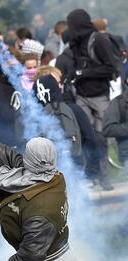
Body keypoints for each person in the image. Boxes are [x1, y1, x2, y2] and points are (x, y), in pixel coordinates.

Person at [0, 129, 82, 261]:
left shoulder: (41, 211)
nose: (22, 158)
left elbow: (31, 257)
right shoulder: (52, 177)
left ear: (31, 160)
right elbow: (5, 155)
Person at [67, 9, 116, 190]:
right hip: (81, 96)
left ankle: (104, 177)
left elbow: (111, 68)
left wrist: (83, 73)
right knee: (86, 138)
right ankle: (91, 175)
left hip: (100, 96)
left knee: (102, 138)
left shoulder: (99, 40)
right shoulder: (74, 43)